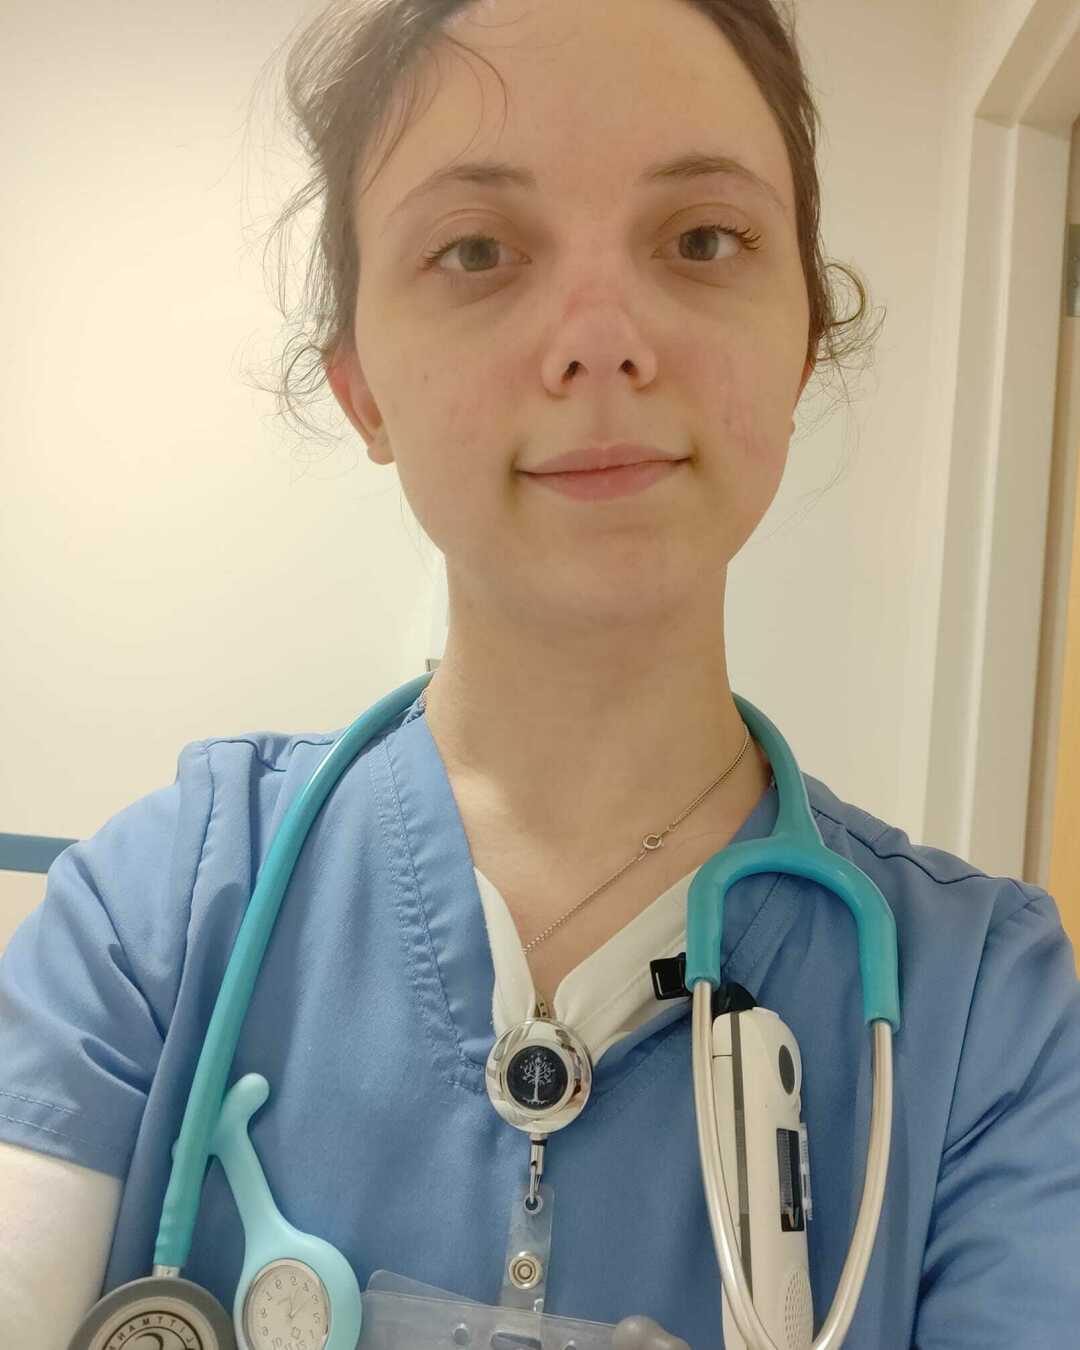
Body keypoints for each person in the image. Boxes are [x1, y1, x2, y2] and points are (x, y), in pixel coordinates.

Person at [2, 1, 1079, 1345]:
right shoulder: (152, 917)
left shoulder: (985, 1014)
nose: (602, 338)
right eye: (476, 251)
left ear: (802, 338)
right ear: (362, 386)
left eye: (702, 239)